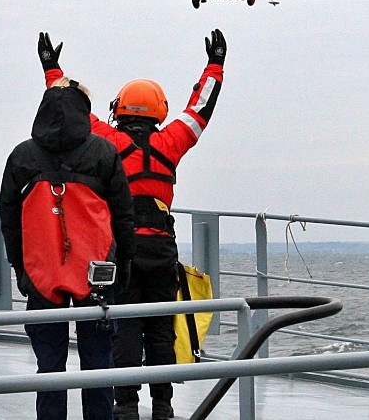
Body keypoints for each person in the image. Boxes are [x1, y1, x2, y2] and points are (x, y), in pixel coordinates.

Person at [36, 30, 227, 420]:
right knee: (160, 328)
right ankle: (163, 406)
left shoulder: (106, 140)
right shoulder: (172, 141)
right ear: (158, 110)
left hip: (121, 249)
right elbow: (201, 109)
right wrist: (215, 65)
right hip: (161, 249)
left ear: (119, 109)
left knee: (123, 327)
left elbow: (71, 111)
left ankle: (124, 407)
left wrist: (51, 68)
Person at [0, 78, 135, 420]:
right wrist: (125, 264)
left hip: (41, 273)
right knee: (98, 365)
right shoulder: (104, 152)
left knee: (49, 366)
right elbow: (123, 215)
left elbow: (10, 220)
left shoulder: (21, 156)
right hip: (97, 276)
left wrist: (20, 268)